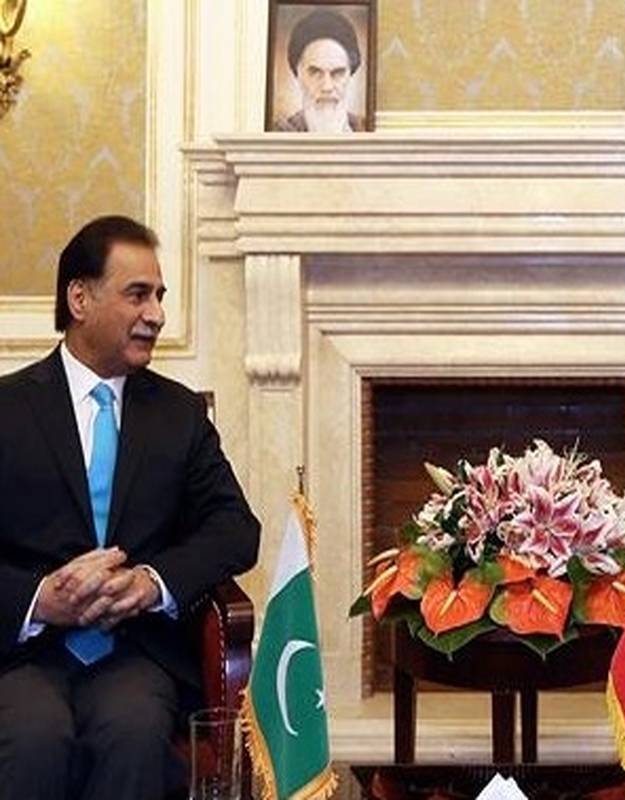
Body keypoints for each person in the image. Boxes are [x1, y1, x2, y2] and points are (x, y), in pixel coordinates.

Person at [0, 216, 261, 799]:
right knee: (35, 736)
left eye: (160, 296)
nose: (157, 314)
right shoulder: (8, 411)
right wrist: (41, 599)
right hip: (24, 653)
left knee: (134, 730)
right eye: (138, 294)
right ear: (80, 299)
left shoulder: (178, 414)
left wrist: (150, 583)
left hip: (135, 653)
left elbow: (235, 529)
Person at [273, 8, 365, 133]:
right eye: (315, 73)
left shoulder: (365, 130)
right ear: (298, 75)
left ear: (350, 75)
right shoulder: (280, 133)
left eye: (337, 73)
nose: (327, 87)